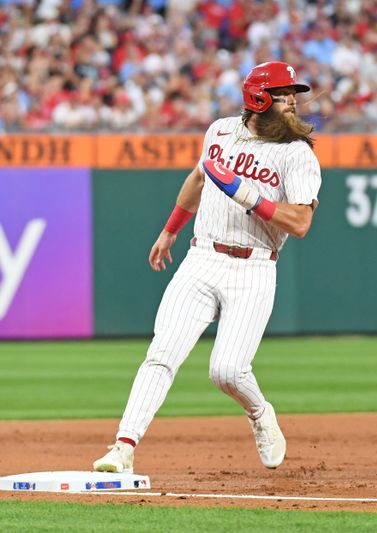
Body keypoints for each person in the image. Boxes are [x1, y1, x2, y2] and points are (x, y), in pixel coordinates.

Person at [93, 61, 321, 473]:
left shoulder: (296, 154)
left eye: (294, 95)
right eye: (285, 94)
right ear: (259, 99)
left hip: (253, 268)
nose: (293, 102)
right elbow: (199, 179)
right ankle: (123, 448)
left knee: (228, 371)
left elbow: (301, 222)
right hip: (202, 258)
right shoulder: (219, 131)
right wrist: (170, 229)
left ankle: (260, 413)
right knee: (161, 354)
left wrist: (248, 195)